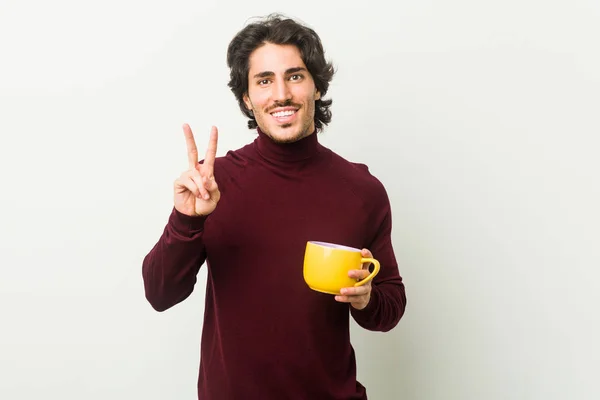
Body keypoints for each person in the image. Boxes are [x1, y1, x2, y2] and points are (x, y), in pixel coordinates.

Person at [142, 13, 406, 400]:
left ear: (316, 86)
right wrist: (186, 219)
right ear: (247, 98)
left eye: (295, 76)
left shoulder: (362, 190)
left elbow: (391, 305)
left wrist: (366, 299)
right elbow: (159, 294)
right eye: (264, 80)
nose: (281, 93)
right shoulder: (215, 184)